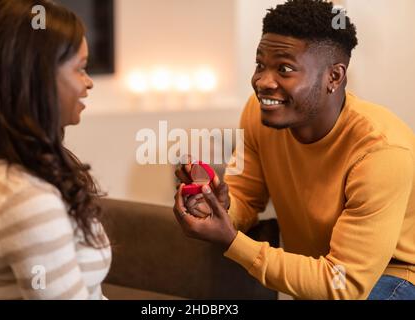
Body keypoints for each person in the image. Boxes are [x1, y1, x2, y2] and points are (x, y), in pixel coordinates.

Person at [174, 0, 414, 300]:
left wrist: (233, 242)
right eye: (260, 64)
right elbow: (246, 198)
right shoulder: (259, 115)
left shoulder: (382, 151)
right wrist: (218, 206)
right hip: (324, 270)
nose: (262, 81)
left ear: (334, 77)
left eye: (284, 69)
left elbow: (344, 285)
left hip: (395, 276)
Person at [0, 0, 111, 299]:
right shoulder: (24, 198)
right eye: (80, 69)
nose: (88, 83)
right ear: (36, 78)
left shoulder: (18, 171)